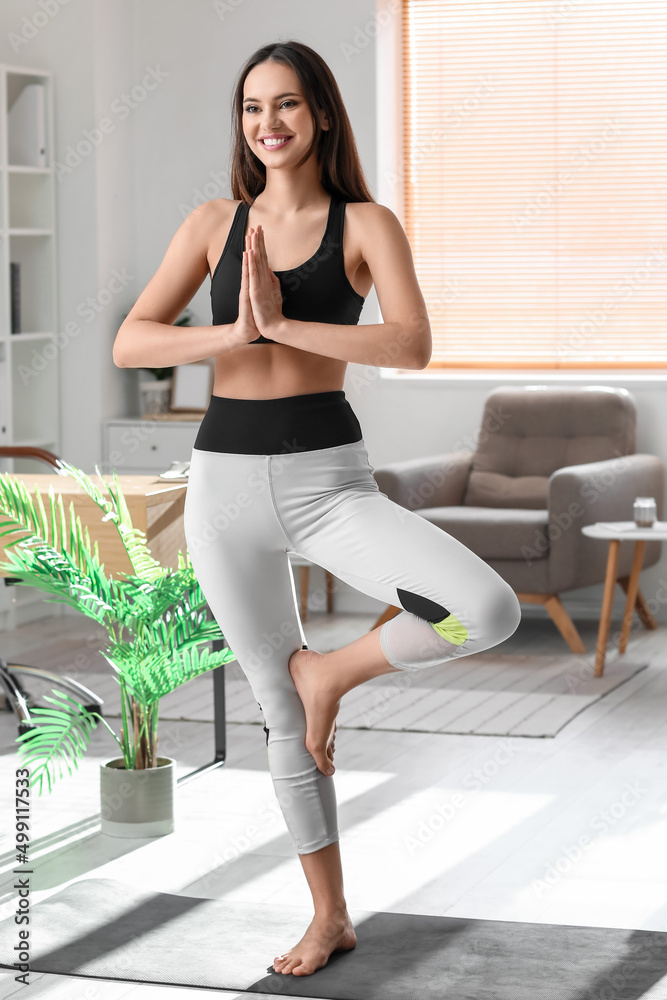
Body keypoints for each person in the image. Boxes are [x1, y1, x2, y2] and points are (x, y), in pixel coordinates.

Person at [113, 39, 521, 979]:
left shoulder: (365, 224)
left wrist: (286, 323)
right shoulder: (213, 222)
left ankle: (331, 673)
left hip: (326, 480)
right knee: (272, 711)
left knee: (482, 608)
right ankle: (328, 916)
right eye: (254, 109)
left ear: (323, 115)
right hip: (223, 483)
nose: (270, 125)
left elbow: (412, 344)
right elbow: (134, 341)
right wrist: (235, 331)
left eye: (288, 106)